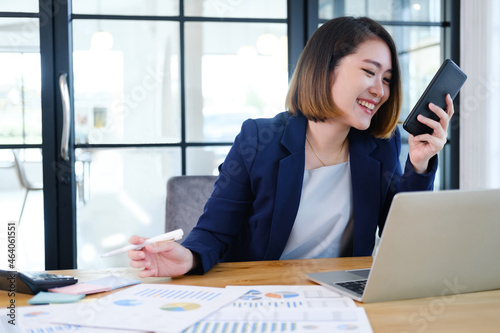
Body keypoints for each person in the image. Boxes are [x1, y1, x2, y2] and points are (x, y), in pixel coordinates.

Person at [128, 16, 453, 278]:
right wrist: (187, 257)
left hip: (344, 298)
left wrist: (420, 164)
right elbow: (215, 232)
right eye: (369, 71)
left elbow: (402, 236)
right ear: (325, 69)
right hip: (266, 293)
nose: (380, 90)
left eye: (387, 79)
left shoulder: (380, 146)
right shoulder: (258, 139)